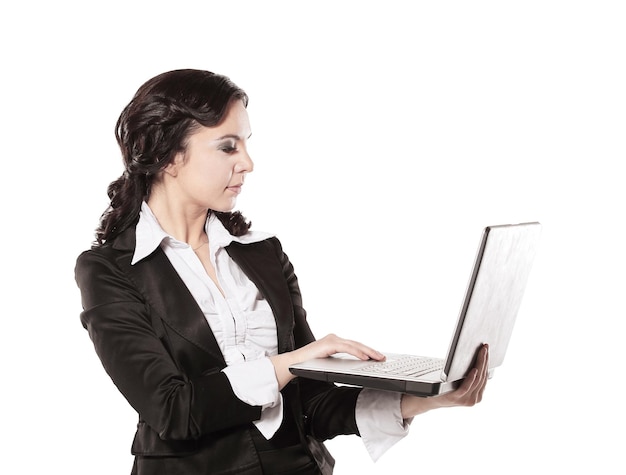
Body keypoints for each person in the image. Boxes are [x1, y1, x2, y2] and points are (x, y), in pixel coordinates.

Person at [75, 68, 489, 475]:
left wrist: (429, 398)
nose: (248, 163)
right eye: (228, 147)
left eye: (246, 144)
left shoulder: (263, 254)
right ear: (167, 155)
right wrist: (291, 362)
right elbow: (173, 411)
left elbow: (313, 404)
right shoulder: (109, 271)